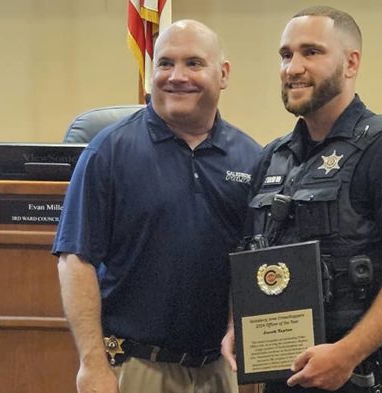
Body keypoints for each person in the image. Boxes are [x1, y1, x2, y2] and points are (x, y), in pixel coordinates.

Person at [221, 6, 382, 393]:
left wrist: (346, 354)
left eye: (311, 52)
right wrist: (236, 325)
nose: (293, 68)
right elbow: (255, 257)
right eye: (286, 54)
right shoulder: (273, 158)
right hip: (287, 373)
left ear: (350, 62)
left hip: (363, 376)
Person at [54, 20, 261, 393]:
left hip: (220, 368)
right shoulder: (109, 151)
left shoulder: (252, 159)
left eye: (194, 63)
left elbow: (254, 262)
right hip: (135, 369)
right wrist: (92, 365)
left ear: (223, 73)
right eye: (165, 64)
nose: (176, 76)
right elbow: (75, 260)